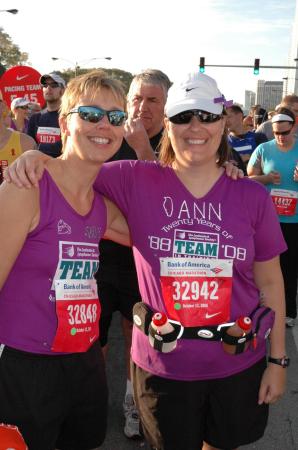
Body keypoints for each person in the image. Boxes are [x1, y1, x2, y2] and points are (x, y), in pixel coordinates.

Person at [7, 71, 287, 450]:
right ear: (167, 126)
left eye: (207, 116)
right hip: (95, 365)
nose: (195, 127)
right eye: (183, 117)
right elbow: (75, 173)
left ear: (223, 123)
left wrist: (277, 361)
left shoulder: (247, 195)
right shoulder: (102, 180)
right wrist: (34, 156)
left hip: (218, 362)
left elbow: (267, 281)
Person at [0, 70, 130, 450]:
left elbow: (159, 235)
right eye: (90, 114)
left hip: (84, 360)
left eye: (115, 117)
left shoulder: (101, 207)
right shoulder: (26, 187)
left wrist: (228, 174)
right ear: (63, 122)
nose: (103, 124)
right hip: (24, 365)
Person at [96, 68, 171, 439]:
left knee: (134, 330)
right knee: (92, 334)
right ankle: (94, 399)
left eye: (152, 100)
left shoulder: (176, 142)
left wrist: (143, 148)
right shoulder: (109, 134)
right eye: (137, 98)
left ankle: (131, 400)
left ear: (166, 105)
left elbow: (172, 199)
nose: (142, 107)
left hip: (143, 263)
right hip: (97, 254)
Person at [247, 107, 298, 328]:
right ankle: (262, 308)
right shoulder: (263, 149)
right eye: (276, 132)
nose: (279, 137)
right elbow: (250, 176)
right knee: (261, 266)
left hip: (294, 220)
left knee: (290, 267)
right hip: (267, 218)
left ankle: (289, 312)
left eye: (284, 133)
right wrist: (266, 178)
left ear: (293, 127)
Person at [0, 91, 37, 184]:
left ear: (2, 106)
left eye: (26, 107)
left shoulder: (26, 143)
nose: (26, 109)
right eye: (23, 107)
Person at [27, 72, 66, 157]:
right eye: (45, 85)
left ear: (63, 91)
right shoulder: (35, 118)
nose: (48, 88)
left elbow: (69, 145)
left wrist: (39, 148)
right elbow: (28, 145)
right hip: (38, 167)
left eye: (54, 85)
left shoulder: (69, 117)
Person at [226, 104, 267, 173]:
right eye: (223, 118)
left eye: (229, 117)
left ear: (240, 116)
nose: (226, 121)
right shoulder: (222, 142)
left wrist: (251, 158)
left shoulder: (259, 137)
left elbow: (268, 161)